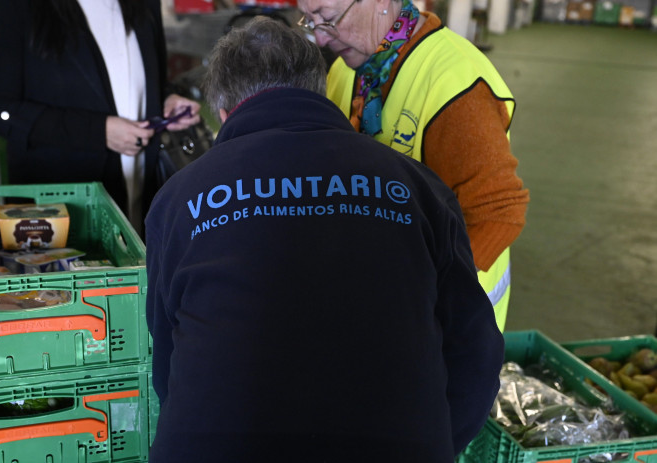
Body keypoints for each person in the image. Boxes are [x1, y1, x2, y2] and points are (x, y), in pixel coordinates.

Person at [145, 16, 504, 463]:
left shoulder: (180, 198)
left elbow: (167, 361)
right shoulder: (416, 186)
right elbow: (476, 351)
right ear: (319, 89)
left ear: (223, 112)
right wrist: (430, 441)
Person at [296, 0, 530, 331]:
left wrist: (425, 292)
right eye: (310, 20)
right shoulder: (347, 69)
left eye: (329, 19)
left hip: (444, 321)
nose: (320, 39)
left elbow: (499, 211)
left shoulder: (456, 85)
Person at [0, 0, 201, 233]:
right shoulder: (15, 6)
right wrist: (98, 132)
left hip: (143, 192)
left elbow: (140, 79)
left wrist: (165, 100)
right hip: (61, 211)